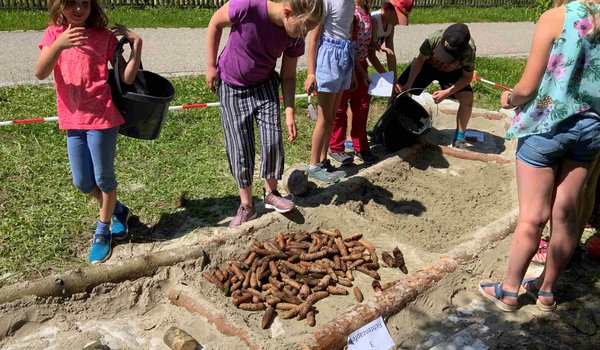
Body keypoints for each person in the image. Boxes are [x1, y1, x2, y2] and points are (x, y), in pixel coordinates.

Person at [478, 0, 600, 312]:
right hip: (590, 130)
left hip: (547, 125)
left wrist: (509, 99)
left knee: (533, 216)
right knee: (565, 214)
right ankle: (546, 291)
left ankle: (508, 291)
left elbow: (527, 87)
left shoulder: (556, 17)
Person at [34, 0, 142, 264]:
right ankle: (118, 209)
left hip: (103, 118)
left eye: (85, 3)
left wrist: (137, 46)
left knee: (104, 179)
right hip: (73, 119)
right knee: (82, 181)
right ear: (59, 6)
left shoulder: (103, 37)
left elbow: (127, 78)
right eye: (72, 3)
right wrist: (59, 45)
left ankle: (103, 231)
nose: (79, 9)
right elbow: (40, 72)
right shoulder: (53, 34)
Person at [205, 0, 323, 228]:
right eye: (303, 28)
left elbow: (288, 76)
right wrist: (211, 65)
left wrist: (289, 111)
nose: (304, 35)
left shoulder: (294, 35)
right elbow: (214, 23)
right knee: (239, 146)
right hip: (231, 85)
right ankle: (246, 205)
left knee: (272, 139)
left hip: (264, 85)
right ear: (287, 13)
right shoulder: (247, 6)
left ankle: (270, 193)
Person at [397, 23, 476, 149]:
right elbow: (419, 61)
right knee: (399, 89)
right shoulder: (433, 39)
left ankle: (460, 138)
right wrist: (409, 83)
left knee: (467, 98)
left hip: (452, 73)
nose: (444, 61)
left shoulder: (468, 51)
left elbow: (467, 77)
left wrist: (448, 92)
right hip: (429, 66)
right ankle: (388, 126)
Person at [303, 0, 356, 183]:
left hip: (344, 55)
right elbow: (314, 39)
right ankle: (313, 165)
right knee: (323, 118)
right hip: (328, 58)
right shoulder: (326, 2)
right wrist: (311, 73)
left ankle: (324, 160)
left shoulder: (351, 3)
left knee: (333, 115)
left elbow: (347, 32)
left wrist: (353, 71)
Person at [329, 0, 380, 166]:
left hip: (362, 63)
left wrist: (377, 47)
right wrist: (357, 72)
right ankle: (336, 147)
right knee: (341, 107)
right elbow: (350, 44)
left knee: (362, 106)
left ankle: (360, 145)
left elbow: (365, 42)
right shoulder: (353, 12)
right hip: (348, 64)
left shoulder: (368, 12)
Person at [368, 0, 413, 101]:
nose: (398, 21)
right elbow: (371, 55)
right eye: (397, 16)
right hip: (358, 61)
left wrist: (395, 80)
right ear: (387, 9)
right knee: (362, 96)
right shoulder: (375, 20)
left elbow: (391, 54)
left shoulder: (390, 25)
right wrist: (389, 80)